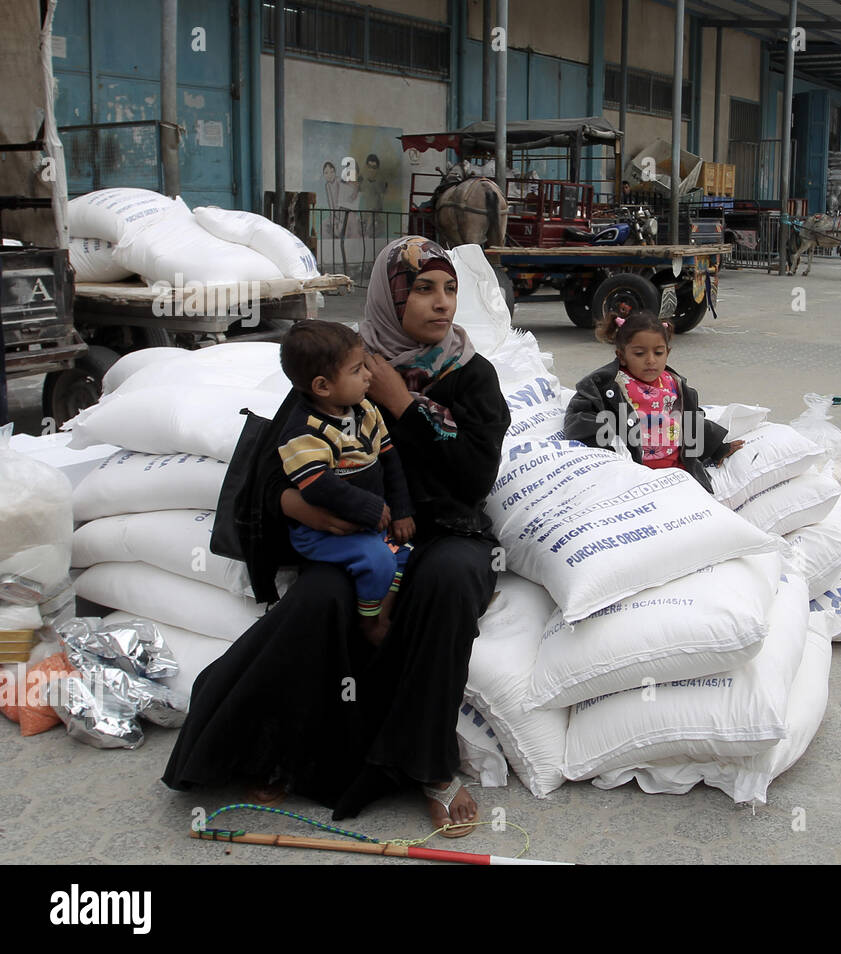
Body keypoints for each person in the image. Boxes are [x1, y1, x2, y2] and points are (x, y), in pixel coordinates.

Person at [163, 236, 511, 837]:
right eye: (423, 288)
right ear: (389, 295)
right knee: (319, 599)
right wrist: (293, 501)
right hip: (359, 536)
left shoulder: (471, 374)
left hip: (445, 532)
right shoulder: (344, 364)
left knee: (447, 583)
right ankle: (283, 752)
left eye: (450, 288)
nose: (441, 303)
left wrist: (403, 404)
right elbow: (287, 452)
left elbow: (475, 475)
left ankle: (427, 765)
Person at [276, 321, 414, 646]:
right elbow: (317, 485)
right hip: (323, 532)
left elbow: (390, 460)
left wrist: (402, 511)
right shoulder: (303, 432)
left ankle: (380, 611)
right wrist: (369, 508)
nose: (369, 376)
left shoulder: (365, 411)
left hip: (369, 524)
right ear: (323, 386)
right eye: (357, 370)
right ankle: (369, 624)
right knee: (378, 560)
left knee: (404, 554)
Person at [565, 309, 744, 492]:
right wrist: (609, 454)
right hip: (637, 475)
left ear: (668, 352)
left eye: (658, 353)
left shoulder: (673, 383)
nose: (651, 360)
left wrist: (717, 447)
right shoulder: (609, 386)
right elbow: (580, 416)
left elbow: (688, 422)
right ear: (622, 356)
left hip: (678, 469)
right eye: (640, 354)